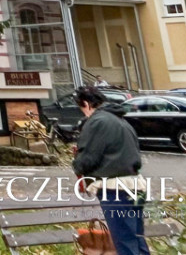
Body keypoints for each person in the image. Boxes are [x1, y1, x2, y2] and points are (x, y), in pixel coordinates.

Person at [72, 86, 149, 255]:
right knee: (136, 238)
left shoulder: (96, 122)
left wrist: (76, 162)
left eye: (81, 108)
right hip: (136, 184)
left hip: (115, 188)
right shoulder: (121, 120)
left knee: (124, 240)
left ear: (86, 104)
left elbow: (88, 159)